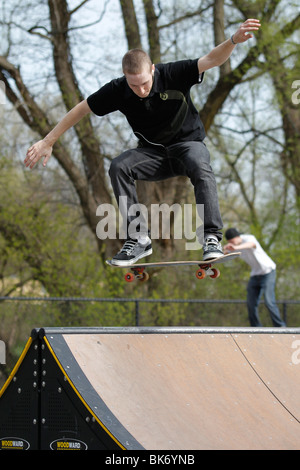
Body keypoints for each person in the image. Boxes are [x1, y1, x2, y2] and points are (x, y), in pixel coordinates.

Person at [24, 19, 261, 266]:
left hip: (187, 146)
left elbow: (212, 59)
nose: (141, 90)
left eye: (145, 82)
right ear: (125, 77)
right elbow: (81, 109)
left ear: (153, 70)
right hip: (153, 155)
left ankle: (211, 237)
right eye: (133, 84)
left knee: (199, 165)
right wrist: (48, 141)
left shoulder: (172, 73)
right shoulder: (117, 89)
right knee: (119, 166)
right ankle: (138, 239)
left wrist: (233, 40)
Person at [224, 228, 286, 327]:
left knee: (269, 301)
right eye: (230, 242)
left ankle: (280, 327)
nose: (232, 244)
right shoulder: (235, 246)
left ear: (237, 237)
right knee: (250, 303)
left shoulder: (248, 238)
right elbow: (225, 255)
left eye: (232, 241)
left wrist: (236, 248)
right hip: (255, 275)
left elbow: (251, 245)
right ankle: (256, 328)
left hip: (268, 272)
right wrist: (223, 250)